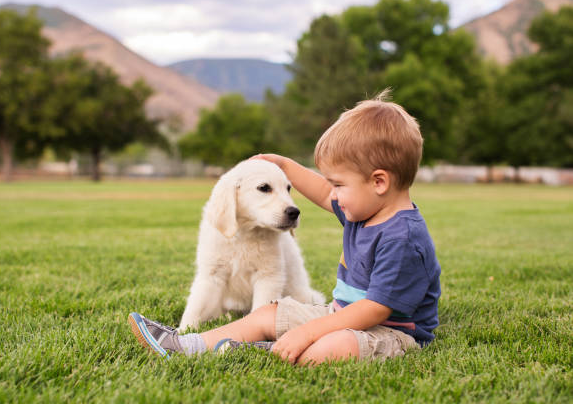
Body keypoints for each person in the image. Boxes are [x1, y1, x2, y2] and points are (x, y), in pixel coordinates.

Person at [128, 90, 441, 365]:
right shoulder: (365, 208)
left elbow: (374, 310)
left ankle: (256, 351)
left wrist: (308, 331)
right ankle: (185, 345)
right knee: (267, 313)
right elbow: (319, 192)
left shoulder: (403, 238)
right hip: (339, 315)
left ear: (379, 182)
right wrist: (285, 166)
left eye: (338, 184)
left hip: (393, 333)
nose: (331, 193)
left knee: (332, 346)